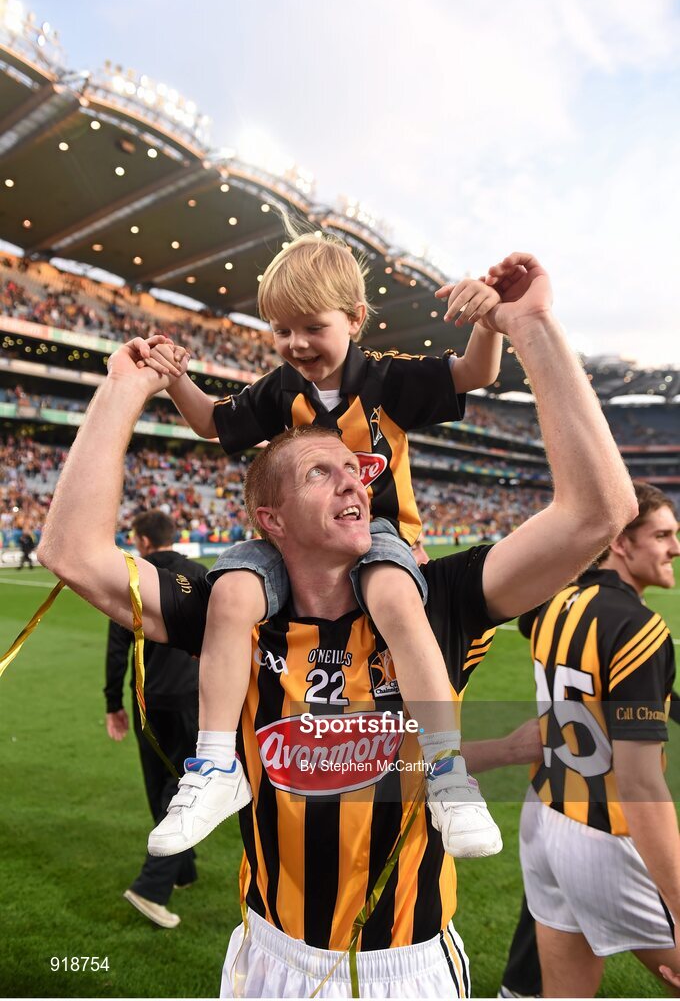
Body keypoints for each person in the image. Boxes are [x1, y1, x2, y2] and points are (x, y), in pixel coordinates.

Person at [36, 252, 637, 997]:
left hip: (409, 963)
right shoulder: (236, 601)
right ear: (270, 519)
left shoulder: (433, 600)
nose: (357, 474)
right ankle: (214, 769)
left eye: (359, 469)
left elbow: (598, 513)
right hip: (268, 957)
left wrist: (532, 327)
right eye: (322, 469)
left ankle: (446, 773)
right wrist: (124, 390)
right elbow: (68, 551)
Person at [139, 229, 507, 863]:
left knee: (395, 596)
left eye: (311, 326)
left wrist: (491, 318)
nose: (295, 344)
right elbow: (211, 422)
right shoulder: (278, 389)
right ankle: (216, 766)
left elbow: (479, 370)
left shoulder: (388, 380)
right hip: (287, 541)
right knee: (229, 594)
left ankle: (447, 769)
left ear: (356, 319)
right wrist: (175, 380)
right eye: (280, 330)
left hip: (375, 535)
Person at [516, 481, 680, 998]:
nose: (675, 547)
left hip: (544, 816)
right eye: (661, 535)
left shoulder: (556, 603)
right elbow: (642, 785)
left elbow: (598, 687)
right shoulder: (641, 629)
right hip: (602, 833)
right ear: (620, 542)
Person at [104, 509, 204, 929]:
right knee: (183, 790)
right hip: (190, 700)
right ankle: (151, 886)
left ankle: (182, 870)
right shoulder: (199, 576)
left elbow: (115, 649)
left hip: (148, 702)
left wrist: (113, 704)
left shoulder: (132, 578)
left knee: (159, 783)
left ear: (143, 541)